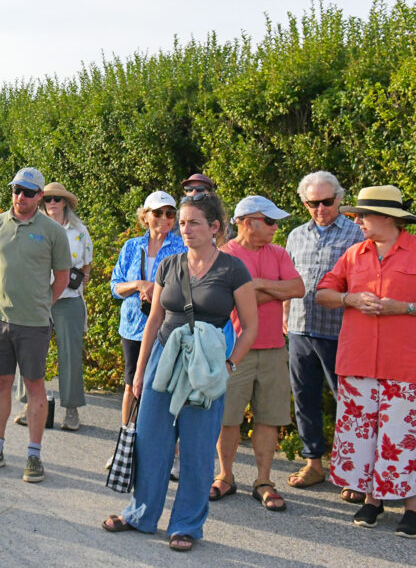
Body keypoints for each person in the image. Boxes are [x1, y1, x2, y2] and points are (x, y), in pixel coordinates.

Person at [102, 192, 257, 552]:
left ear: (215, 227)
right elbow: (154, 320)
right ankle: (141, 514)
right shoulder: (169, 265)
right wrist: (139, 373)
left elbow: (250, 325)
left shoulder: (233, 269)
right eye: (183, 223)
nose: (185, 229)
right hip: (163, 360)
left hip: (205, 367)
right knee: (151, 440)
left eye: (193, 223)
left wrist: (229, 365)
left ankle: (186, 524)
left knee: (198, 447)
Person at [315, 184, 416, 538]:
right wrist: (350, 299)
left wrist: (403, 308)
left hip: (405, 364)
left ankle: (411, 506)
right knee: (365, 436)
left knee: (403, 438)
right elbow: (322, 293)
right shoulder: (354, 254)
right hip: (357, 361)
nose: (357, 220)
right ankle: (373, 500)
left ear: (387, 218)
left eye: (363, 215)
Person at [0, 168, 71, 483]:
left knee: (36, 386)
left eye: (27, 191)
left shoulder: (53, 231)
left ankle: (34, 456)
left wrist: (40, 303)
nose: (20, 197)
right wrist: (3, 297)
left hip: (35, 323)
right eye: (16, 190)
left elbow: (62, 277)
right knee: (0, 384)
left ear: (39, 196)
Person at [212, 196, 303, 512]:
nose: (276, 228)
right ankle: (225, 476)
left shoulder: (278, 253)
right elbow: (226, 298)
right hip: (235, 351)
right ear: (248, 222)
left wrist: (256, 286)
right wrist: (270, 289)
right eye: (271, 221)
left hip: (274, 348)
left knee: (269, 418)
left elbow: (297, 288)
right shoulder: (223, 255)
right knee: (228, 418)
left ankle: (264, 481)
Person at [282, 172, 363, 500]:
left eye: (327, 201)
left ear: (340, 199)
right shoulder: (296, 235)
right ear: (304, 203)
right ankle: (314, 463)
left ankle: (354, 473)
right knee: (304, 399)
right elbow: (287, 278)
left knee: (349, 401)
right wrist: (285, 314)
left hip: (340, 331)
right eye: (313, 203)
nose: (321, 208)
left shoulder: (357, 235)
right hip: (301, 328)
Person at [110, 191, 186, 429]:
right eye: (159, 213)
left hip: (166, 327)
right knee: (132, 384)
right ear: (145, 216)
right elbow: (115, 287)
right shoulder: (132, 246)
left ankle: (167, 451)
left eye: (170, 214)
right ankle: (127, 442)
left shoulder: (182, 248)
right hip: (133, 327)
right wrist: (138, 285)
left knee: (167, 386)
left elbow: (188, 287)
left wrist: (160, 291)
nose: (165, 218)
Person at [37, 182, 93, 431]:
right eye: (47, 199)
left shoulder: (80, 231)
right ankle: (30, 408)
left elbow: (87, 265)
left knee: (70, 355)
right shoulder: (33, 228)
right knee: (31, 353)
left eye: (57, 199)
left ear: (65, 203)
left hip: (69, 299)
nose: (52, 204)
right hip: (38, 298)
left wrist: (79, 283)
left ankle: (71, 411)